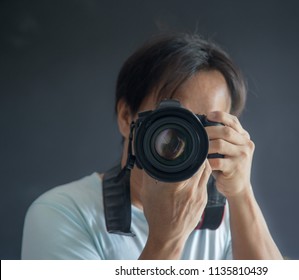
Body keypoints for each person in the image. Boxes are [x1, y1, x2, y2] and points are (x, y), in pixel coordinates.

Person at [21, 33, 283, 260]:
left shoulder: (229, 217)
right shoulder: (62, 213)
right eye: (171, 121)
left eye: (203, 125)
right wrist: (165, 240)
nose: (185, 139)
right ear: (127, 117)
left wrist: (241, 194)